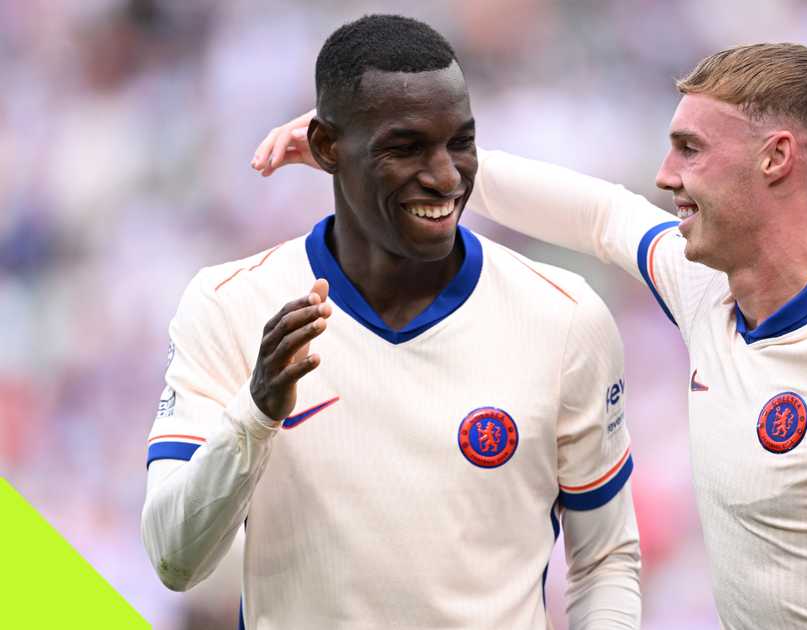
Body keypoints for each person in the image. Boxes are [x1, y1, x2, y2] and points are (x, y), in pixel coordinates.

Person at [256, 42, 807, 629]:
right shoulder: (706, 290)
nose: (667, 175)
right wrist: (384, 156)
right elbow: (600, 214)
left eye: (690, 150)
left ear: (775, 159)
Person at [143, 15, 641, 630]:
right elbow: (174, 560)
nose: (446, 176)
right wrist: (255, 413)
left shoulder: (564, 316)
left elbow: (606, 562)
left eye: (461, 141)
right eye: (405, 147)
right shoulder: (229, 304)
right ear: (327, 148)